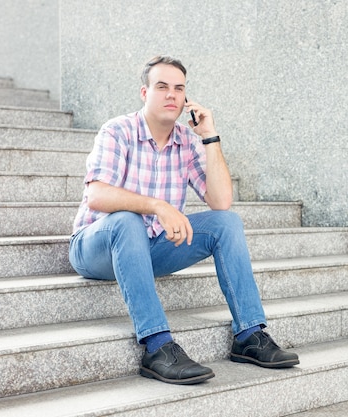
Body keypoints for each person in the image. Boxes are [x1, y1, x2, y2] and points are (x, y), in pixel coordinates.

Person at [69, 55, 299, 385]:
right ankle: (157, 347)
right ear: (144, 93)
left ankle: (249, 335)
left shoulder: (186, 143)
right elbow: (97, 195)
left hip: (149, 250)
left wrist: (210, 136)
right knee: (127, 220)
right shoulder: (117, 131)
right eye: (161, 86)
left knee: (227, 223)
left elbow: (220, 202)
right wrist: (157, 206)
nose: (171, 95)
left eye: (179, 89)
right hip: (96, 247)